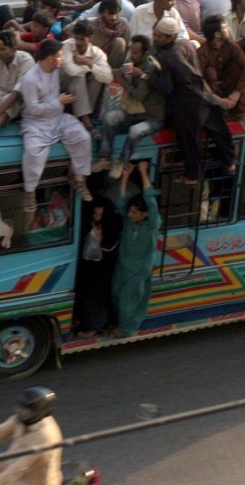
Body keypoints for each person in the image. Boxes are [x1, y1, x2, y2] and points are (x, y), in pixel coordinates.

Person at [150, 17, 235, 184]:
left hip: (186, 104)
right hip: (203, 95)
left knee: (189, 141)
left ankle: (192, 176)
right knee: (219, 130)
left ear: (170, 37)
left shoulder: (167, 57)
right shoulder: (185, 44)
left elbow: (166, 87)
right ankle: (230, 162)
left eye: (158, 36)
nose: (154, 38)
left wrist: (148, 77)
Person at [19, 39, 93, 212]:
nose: (62, 59)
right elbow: (33, 109)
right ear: (51, 58)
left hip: (58, 118)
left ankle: (79, 179)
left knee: (83, 137)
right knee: (33, 152)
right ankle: (29, 192)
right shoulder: (30, 79)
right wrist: (58, 101)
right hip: (36, 123)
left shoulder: (56, 70)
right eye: (60, 56)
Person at [93, 35, 165, 178]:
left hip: (151, 117)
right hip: (135, 112)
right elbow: (123, 74)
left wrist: (123, 80)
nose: (131, 56)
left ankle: (121, 161)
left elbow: (138, 95)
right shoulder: (131, 62)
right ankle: (105, 158)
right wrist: (119, 74)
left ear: (145, 53)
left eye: (135, 53)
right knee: (109, 118)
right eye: (131, 52)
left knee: (135, 131)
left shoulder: (150, 68)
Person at [111, 160, 162, 338]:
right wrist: (125, 177)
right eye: (130, 212)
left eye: (135, 212)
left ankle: (126, 329)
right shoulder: (129, 222)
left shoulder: (152, 225)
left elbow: (150, 199)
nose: (130, 214)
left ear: (145, 213)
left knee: (128, 300)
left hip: (140, 268)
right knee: (116, 294)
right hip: (123, 265)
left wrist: (142, 172)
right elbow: (119, 202)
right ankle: (120, 324)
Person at [73, 196, 121, 337]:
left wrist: (100, 240)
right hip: (89, 265)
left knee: (97, 297)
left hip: (104, 268)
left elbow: (110, 248)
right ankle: (83, 320)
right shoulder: (89, 223)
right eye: (95, 214)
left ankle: (93, 326)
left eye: (101, 214)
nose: (98, 217)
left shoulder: (113, 226)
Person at [198, 14, 245, 120]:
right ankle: (220, 110)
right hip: (212, 93)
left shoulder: (231, 46)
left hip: (229, 88)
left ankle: (240, 110)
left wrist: (237, 93)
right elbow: (198, 81)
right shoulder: (202, 52)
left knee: (238, 67)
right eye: (225, 27)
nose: (228, 29)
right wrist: (218, 100)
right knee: (209, 72)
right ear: (217, 34)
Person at [61, 20, 114, 134]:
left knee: (99, 76)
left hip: (81, 99)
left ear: (90, 38)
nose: (78, 42)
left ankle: (85, 114)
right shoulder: (67, 45)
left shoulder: (97, 53)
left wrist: (87, 62)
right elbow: (71, 70)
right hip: (63, 91)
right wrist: (90, 69)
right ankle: (86, 121)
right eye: (77, 38)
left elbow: (108, 77)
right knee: (79, 77)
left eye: (82, 39)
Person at [67, 0, 130, 68]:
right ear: (102, 13)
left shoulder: (123, 24)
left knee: (120, 42)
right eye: (110, 14)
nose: (114, 17)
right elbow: (68, 29)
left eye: (116, 13)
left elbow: (128, 48)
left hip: (112, 63)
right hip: (92, 61)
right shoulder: (91, 23)